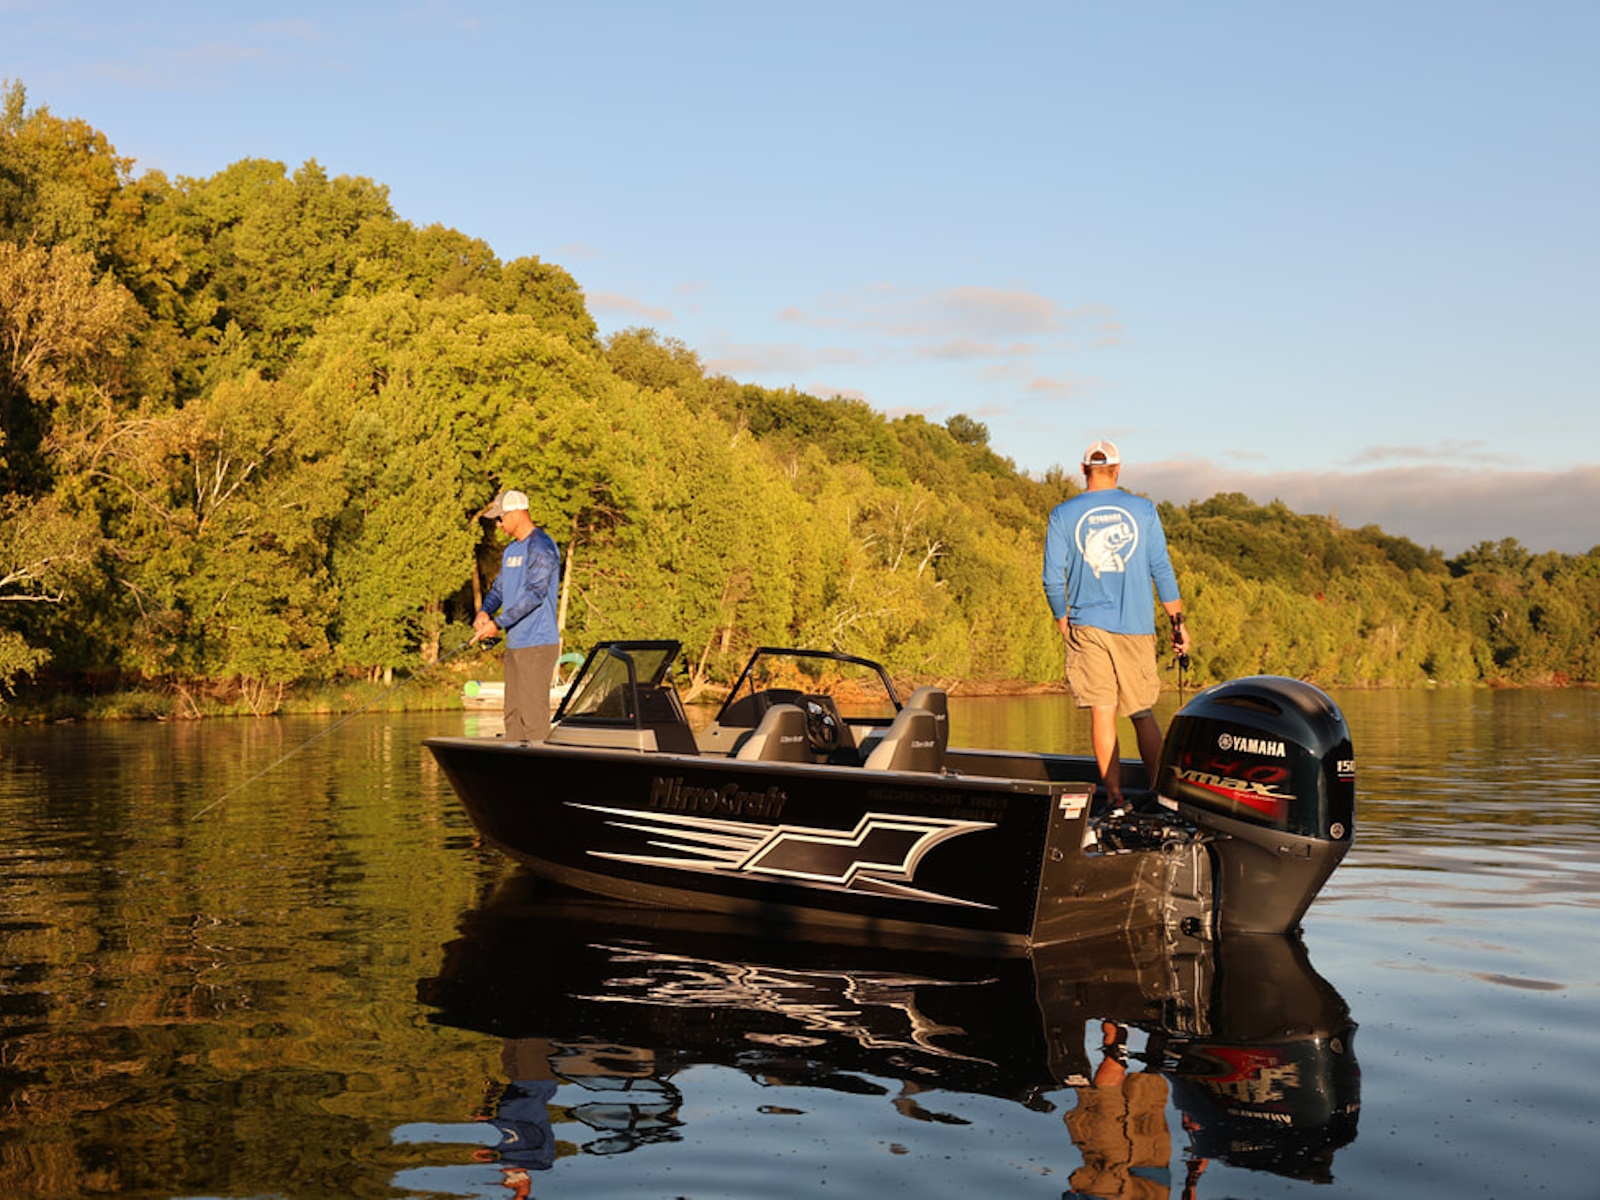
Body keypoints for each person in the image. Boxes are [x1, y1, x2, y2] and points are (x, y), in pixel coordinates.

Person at [1042, 441, 1192, 812]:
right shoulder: (1143, 510)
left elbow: (1052, 578)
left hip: (1086, 626)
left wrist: (1062, 619)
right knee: (1142, 713)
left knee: (1102, 710)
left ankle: (1114, 798)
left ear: (1083, 469)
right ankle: (1164, 798)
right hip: (1135, 627)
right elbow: (1161, 569)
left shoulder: (1063, 514)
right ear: (1118, 469)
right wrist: (1177, 623)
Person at [472, 489, 562, 742]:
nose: (498, 524)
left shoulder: (542, 546)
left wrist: (498, 623)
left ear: (516, 514)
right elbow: (499, 589)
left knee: (533, 719)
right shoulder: (511, 550)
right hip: (515, 644)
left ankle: (541, 764)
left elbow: (535, 594)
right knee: (513, 717)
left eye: (501, 518)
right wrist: (485, 611)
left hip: (537, 644)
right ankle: (514, 763)